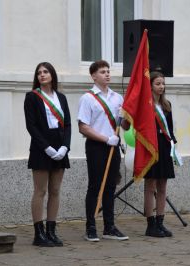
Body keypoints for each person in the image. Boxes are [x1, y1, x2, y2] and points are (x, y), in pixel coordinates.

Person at [77, 60, 128, 242]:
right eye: (102, 71)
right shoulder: (88, 98)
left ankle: (109, 227)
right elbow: (83, 127)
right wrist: (106, 138)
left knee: (110, 186)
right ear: (93, 76)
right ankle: (91, 227)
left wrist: (126, 117)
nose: (107, 74)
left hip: (113, 146)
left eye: (108, 71)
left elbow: (125, 126)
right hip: (97, 146)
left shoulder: (117, 98)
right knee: (95, 186)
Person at [24, 62, 71, 247]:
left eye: (45, 72)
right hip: (41, 148)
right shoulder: (32, 97)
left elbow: (67, 124)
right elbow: (31, 126)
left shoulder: (61, 97)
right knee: (40, 190)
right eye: (39, 73)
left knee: (55, 191)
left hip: (60, 148)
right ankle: (39, 233)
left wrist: (65, 147)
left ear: (52, 74)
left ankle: (51, 231)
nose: (42, 75)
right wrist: (46, 147)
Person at [143, 71, 177, 237]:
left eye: (163, 83)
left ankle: (160, 222)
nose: (161, 87)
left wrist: (173, 146)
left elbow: (170, 129)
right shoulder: (145, 105)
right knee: (150, 186)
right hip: (151, 148)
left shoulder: (167, 105)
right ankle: (150, 225)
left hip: (164, 147)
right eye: (157, 83)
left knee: (162, 186)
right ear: (150, 86)